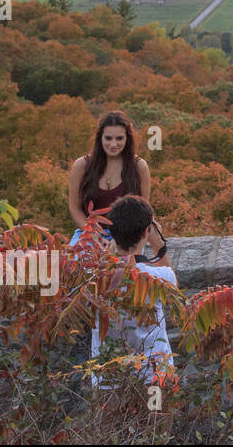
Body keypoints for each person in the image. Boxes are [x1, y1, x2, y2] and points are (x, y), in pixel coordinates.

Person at [90, 195, 177, 386]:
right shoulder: (161, 277)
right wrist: (158, 245)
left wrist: (108, 252)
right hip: (155, 378)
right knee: (157, 415)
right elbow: (172, 293)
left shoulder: (94, 278)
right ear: (146, 231)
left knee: (110, 417)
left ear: (110, 231)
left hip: (108, 380)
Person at [68, 110, 151, 245]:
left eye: (119, 138)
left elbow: (144, 212)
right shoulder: (82, 166)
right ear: (100, 138)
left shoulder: (139, 167)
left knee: (123, 265)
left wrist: (122, 239)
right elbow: (74, 208)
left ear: (127, 139)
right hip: (89, 233)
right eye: (108, 138)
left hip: (128, 235)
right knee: (77, 263)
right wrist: (91, 233)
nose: (113, 144)